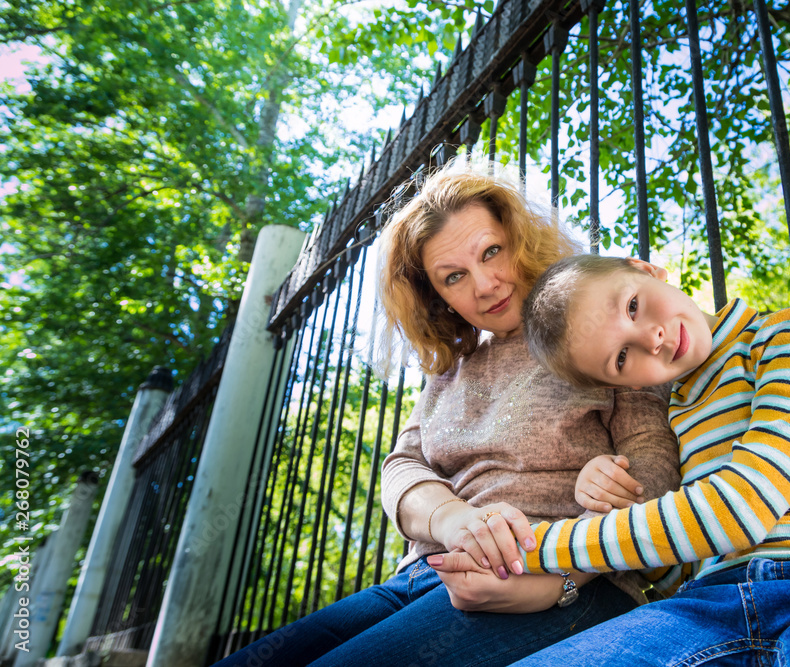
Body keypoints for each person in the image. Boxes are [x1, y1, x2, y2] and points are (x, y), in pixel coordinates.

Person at [212, 170, 681, 667]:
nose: (484, 285)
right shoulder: (450, 373)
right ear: (438, 296)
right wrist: (454, 520)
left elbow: (653, 464)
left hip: (549, 579)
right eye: (453, 276)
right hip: (416, 576)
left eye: (491, 251)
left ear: (520, 240)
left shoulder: (603, 329)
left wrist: (561, 574)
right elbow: (400, 469)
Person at [430, 254, 790, 665]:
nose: (654, 339)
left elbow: (738, 509)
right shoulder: (666, 418)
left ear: (645, 269)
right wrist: (599, 493)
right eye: (621, 358)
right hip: (702, 605)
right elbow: (666, 570)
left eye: (633, 306)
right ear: (611, 382)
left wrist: (530, 548)